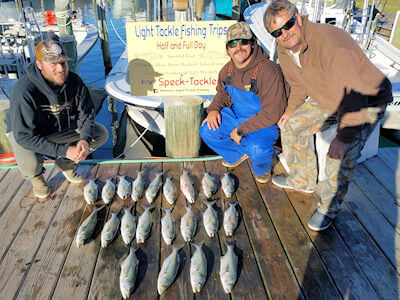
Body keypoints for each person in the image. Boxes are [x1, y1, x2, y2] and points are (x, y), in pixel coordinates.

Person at [264, 0, 393, 230]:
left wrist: (343, 138)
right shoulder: (285, 49)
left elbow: (355, 97)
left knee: (338, 156)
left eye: (289, 24)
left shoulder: (331, 44)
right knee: (293, 126)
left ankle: (328, 207)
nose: (285, 33)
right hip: (329, 95)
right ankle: (302, 180)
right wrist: (291, 110)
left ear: (299, 18)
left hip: (365, 100)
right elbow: (298, 84)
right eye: (277, 31)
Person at [5, 38, 108, 199]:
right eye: (53, 63)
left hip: (56, 128)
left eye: (63, 63)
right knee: (31, 162)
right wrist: (65, 150)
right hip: (26, 134)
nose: (60, 68)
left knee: (100, 133)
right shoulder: (24, 91)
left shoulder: (75, 81)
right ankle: (36, 177)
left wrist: (85, 140)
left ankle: (65, 164)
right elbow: (24, 136)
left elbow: (86, 114)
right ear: (39, 65)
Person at [199, 22, 287, 183]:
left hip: (264, 122)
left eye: (244, 42)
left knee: (257, 149)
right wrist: (213, 110)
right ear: (228, 49)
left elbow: (273, 112)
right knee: (207, 131)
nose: (238, 47)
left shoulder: (268, 70)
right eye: (233, 44)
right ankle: (239, 154)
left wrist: (241, 130)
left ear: (253, 44)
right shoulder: (227, 70)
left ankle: (263, 167)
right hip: (237, 116)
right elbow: (222, 95)